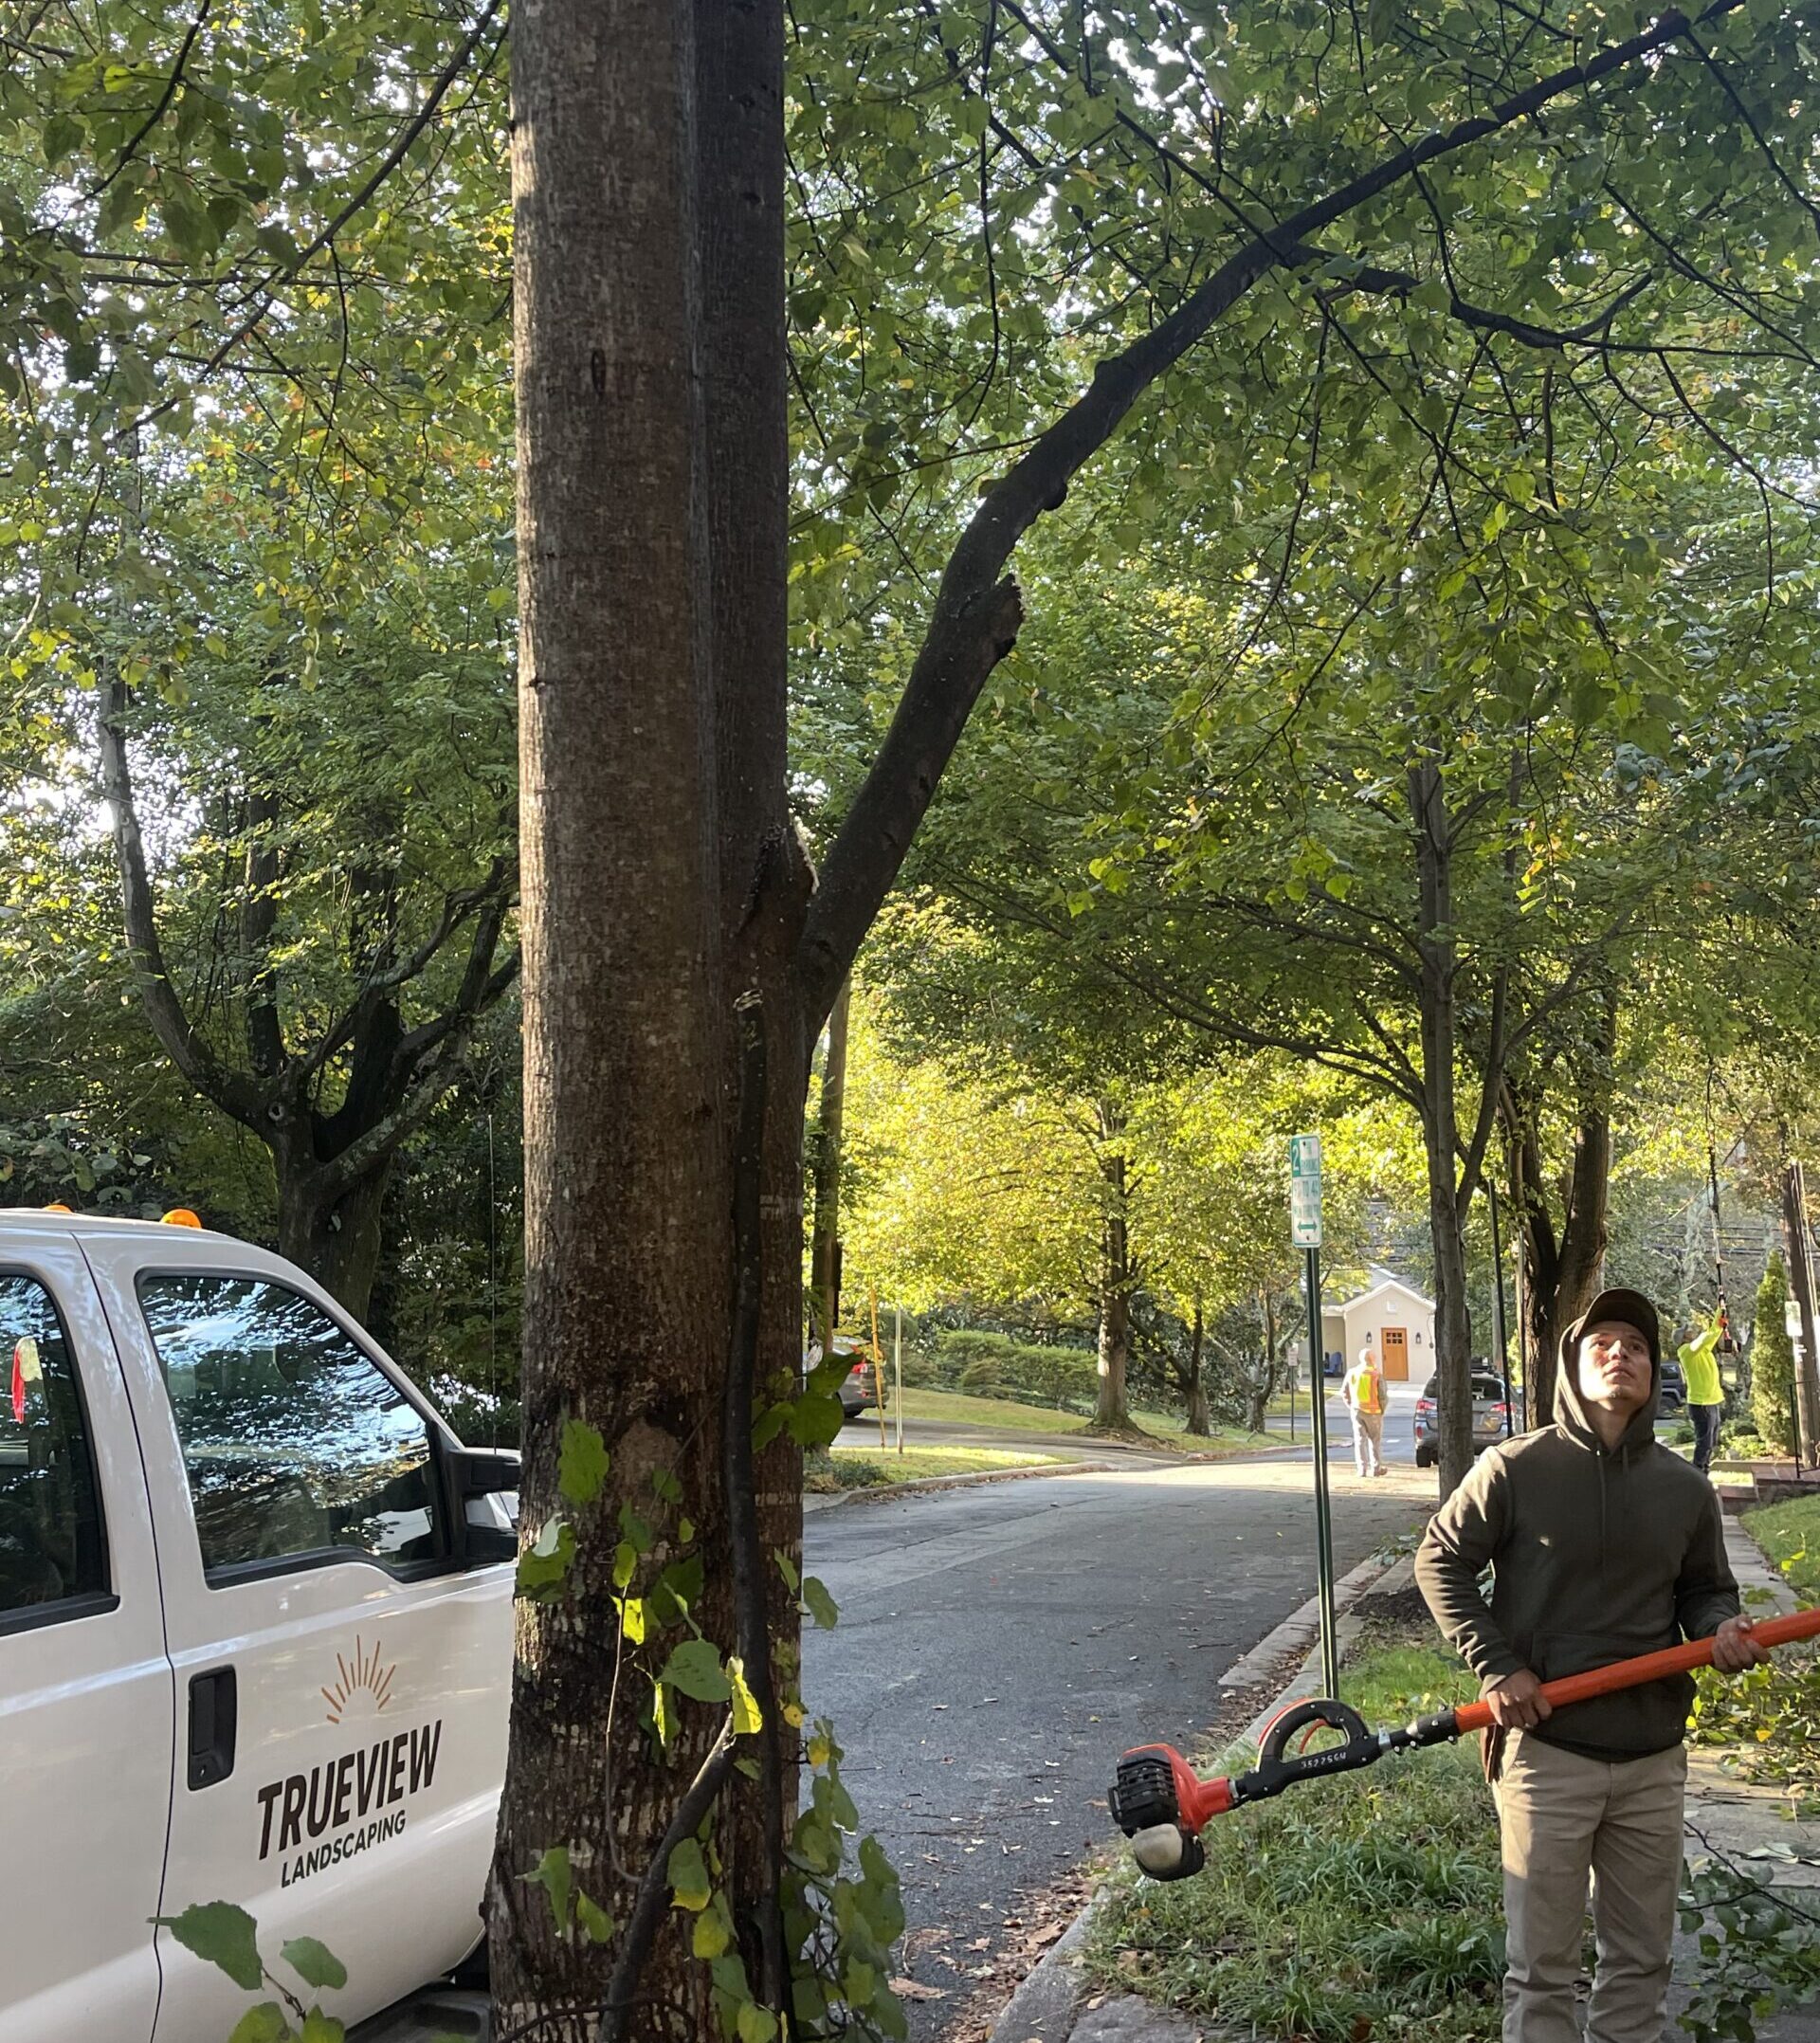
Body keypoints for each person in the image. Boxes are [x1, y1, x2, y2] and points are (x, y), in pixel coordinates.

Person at [1414, 1287, 1765, 2043]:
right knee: (1540, 1967)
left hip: (1651, 1756)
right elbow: (1439, 1558)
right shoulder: (1516, 1466)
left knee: (1641, 1960)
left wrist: (1721, 1630)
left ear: (1653, 1372)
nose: (1620, 1354)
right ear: (1572, 1366)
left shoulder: (1685, 1488)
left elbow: (1706, 1591)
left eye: (1636, 1345)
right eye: (1602, 1341)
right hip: (1548, 1752)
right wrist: (1498, 1665)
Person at [1678, 1317, 1725, 1476]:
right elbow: (1705, 1337)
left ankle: (1704, 1471)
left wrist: (1720, 1312)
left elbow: (1713, 1334)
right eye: (1688, 1331)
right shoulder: (1686, 1351)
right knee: (1704, 1442)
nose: (1691, 1331)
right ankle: (1698, 1475)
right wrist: (1714, 1327)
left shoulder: (1702, 1350)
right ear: (1684, 1338)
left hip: (1711, 1401)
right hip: (1701, 1403)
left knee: (1710, 1441)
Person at [1341, 1343, 1387, 1477]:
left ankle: (1362, 1469)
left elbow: (1344, 1392)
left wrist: (1351, 1405)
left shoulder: (1352, 1373)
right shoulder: (1376, 1374)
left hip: (1357, 1410)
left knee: (1360, 1440)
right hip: (1374, 1412)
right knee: (1375, 1441)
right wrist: (1382, 1409)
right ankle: (1376, 1468)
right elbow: (1382, 1395)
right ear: (1372, 1359)